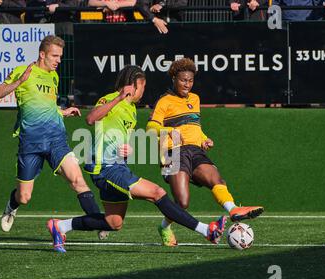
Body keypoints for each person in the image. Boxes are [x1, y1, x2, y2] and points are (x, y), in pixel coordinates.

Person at [46, 65, 226, 253]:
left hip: (118, 165)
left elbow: (114, 137)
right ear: (132, 85)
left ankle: (60, 226)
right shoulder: (109, 99)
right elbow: (91, 119)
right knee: (157, 193)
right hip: (105, 167)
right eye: (142, 86)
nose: (143, 91)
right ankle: (207, 230)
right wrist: (118, 97)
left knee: (113, 222)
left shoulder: (131, 110)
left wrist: (126, 149)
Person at [0, 35, 106, 236]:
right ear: (42, 54)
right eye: (54, 56)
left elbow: (47, 105)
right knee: (24, 196)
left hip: (56, 139)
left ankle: (99, 222)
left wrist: (62, 111)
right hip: (31, 143)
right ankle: (12, 203)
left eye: (60, 56)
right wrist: (20, 81)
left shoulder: (54, 77)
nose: (58, 60)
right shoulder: (23, 71)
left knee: (77, 180)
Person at [146, 58, 264, 247]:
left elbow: (193, 126)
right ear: (174, 78)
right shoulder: (164, 101)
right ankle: (164, 227)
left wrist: (204, 139)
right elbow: (150, 129)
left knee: (216, 179)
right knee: (182, 203)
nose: (187, 84)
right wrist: (170, 132)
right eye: (183, 80)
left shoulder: (195, 99)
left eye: (190, 81)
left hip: (195, 150)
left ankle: (233, 209)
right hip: (172, 152)